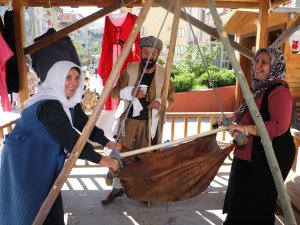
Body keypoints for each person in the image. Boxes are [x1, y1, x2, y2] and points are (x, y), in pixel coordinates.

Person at [0, 61, 121, 225]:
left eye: (77, 78)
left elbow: (87, 127)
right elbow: (70, 139)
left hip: (44, 156)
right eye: (68, 77)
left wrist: (108, 143)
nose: (74, 83)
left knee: (49, 201)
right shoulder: (48, 104)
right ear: (56, 78)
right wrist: (103, 160)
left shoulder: (69, 103)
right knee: (28, 205)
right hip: (24, 160)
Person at [218, 48, 295, 225]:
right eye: (256, 61)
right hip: (250, 151)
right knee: (239, 196)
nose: (257, 65)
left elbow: (278, 126)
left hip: (270, 155)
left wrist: (244, 129)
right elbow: (246, 109)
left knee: (258, 201)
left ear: (275, 66)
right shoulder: (260, 88)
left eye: (264, 62)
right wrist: (231, 117)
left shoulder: (279, 92)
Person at [101, 36, 175, 205]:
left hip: (150, 123)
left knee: (145, 157)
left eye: (153, 53)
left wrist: (160, 103)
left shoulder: (164, 74)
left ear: (158, 55)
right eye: (146, 52)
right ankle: (117, 189)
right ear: (141, 52)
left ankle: (143, 191)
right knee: (120, 154)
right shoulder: (131, 69)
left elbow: (170, 99)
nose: (149, 56)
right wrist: (130, 92)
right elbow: (115, 92)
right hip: (128, 120)